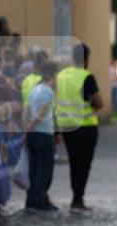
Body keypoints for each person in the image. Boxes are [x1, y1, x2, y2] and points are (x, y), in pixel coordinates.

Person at [55, 42, 103, 214]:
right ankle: (77, 198)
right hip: (86, 127)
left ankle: (75, 196)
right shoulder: (86, 76)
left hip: (67, 127)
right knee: (84, 164)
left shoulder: (61, 76)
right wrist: (91, 110)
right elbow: (99, 102)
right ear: (87, 58)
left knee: (74, 163)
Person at [25, 60, 59, 215]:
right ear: (52, 75)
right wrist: (31, 127)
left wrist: (26, 129)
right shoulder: (48, 91)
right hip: (44, 133)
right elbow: (42, 113)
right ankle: (39, 200)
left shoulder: (34, 89)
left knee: (33, 169)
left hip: (33, 134)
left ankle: (32, 199)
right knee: (44, 170)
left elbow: (27, 110)